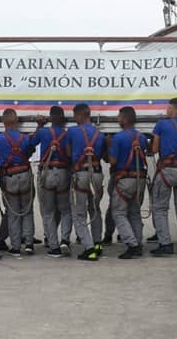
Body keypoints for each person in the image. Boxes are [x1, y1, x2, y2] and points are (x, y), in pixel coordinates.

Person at [151, 97, 177, 257]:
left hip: (166, 170)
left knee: (161, 208)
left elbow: (155, 149)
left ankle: (165, 243)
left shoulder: (161, 124)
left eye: (168, 108)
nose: (166, 110)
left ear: (174, 109)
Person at [30, 106, 72, 258]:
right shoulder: (68, 134)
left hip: (46, 173)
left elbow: (31, 143)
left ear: (50, 118)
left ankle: (53, 246)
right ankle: (65, 240)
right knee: (66, 209)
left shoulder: (43, 132)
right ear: (63, 119)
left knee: (48, 212)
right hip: (62, 172)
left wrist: (39, 125)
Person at [0, 109, 36, 256]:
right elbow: (30, 152)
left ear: (3, 122)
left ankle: (16, 247)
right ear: (17, 121)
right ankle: (29, 244)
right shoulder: (25, 138)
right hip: (24, 175)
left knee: (13, 213)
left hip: (8, 177)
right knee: (27, 211)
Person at [67, 103, 107, 261]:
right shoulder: (100, 134)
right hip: (97, 174)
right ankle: (97, 244)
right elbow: (104, 155)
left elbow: (68, 153)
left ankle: (89, 248)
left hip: (81, 175)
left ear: (80, 116)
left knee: (79, 214)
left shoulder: (72, 131)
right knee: (95, 209)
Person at [108, 106, 149, 259]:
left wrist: (108, 146)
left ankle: (132, 244)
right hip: (140, 179)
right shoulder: (142, 137)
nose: (117, 119)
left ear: (124, 120)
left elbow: (113, 161)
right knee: (134, 212)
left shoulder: (118, 138)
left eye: (119, 117)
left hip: (124, 180)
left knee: (118, 212)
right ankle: (138, 242)